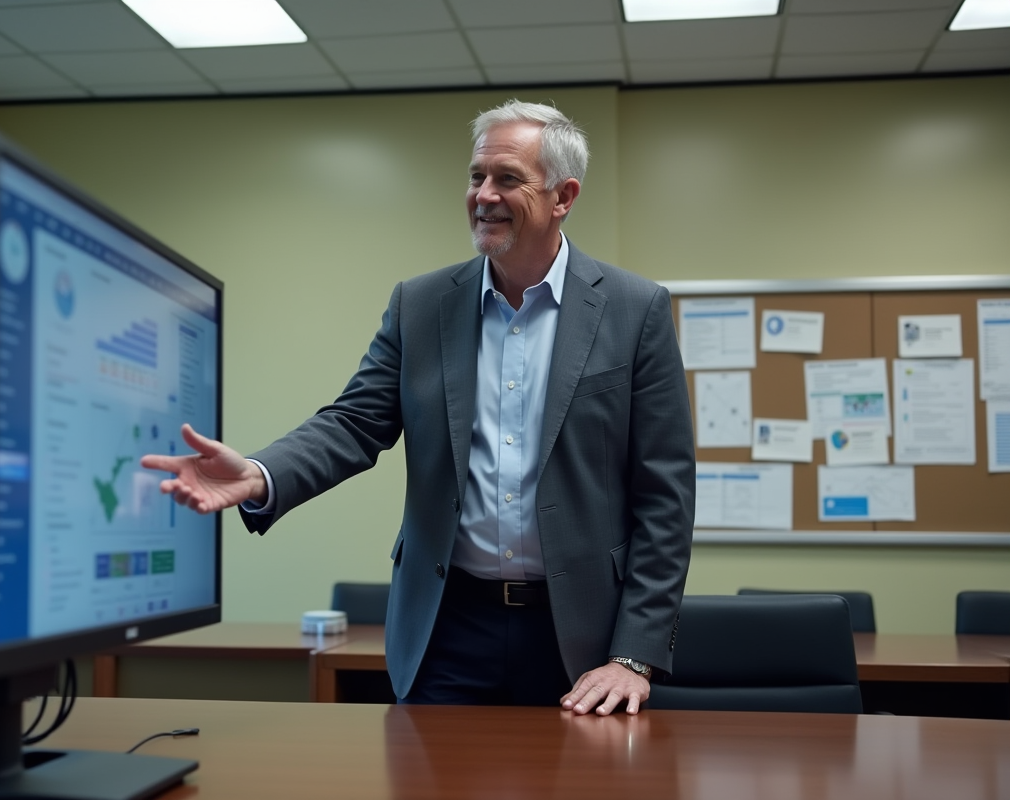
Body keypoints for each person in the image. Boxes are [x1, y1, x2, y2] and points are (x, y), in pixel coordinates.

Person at [142, 100, 694, 715]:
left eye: (507, 179)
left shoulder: (633, 309)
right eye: (475, 176)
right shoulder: (423, 304)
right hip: (446, 627)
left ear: (563, 196)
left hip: (581, 639)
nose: (483, 195)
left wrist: (633, 656)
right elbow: (355, 422)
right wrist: (259, 473)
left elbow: (665, 496)